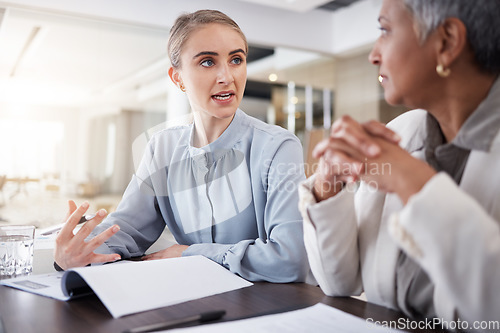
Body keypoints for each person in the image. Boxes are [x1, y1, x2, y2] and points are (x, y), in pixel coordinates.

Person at [54, 9, 310, 283]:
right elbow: (128, 228)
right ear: (177, 78)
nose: (227, 76)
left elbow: (290, 259)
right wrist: (79, 251)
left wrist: (191, 254)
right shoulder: (161, 148)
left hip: (265, 308)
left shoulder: (278, 147)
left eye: (236, 59)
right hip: (191, 298)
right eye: (208, 62)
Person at [299, 0, 500, 329]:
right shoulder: (400, 134)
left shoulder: (397, 157)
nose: (373, 54)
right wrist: (328, 183)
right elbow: (339, 284)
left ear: (447, 41)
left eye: (385, 30)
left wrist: (414, 183)